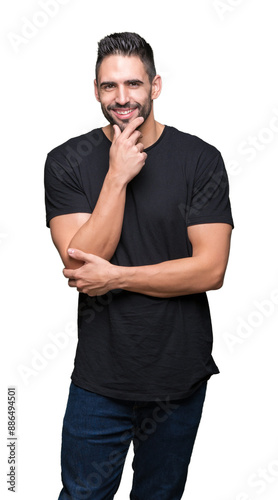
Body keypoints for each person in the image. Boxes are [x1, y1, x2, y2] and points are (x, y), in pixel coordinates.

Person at [44, 32, 234, 500]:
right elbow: (84, 264)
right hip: (100, 378)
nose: (122, 98)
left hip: (178, 376)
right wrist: (116, 175)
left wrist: (118, 278)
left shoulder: (200, 160)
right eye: (110, 87)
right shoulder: (68, 161)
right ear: (96, 90)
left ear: (156, 86)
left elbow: (210, 270)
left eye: (134, 84)